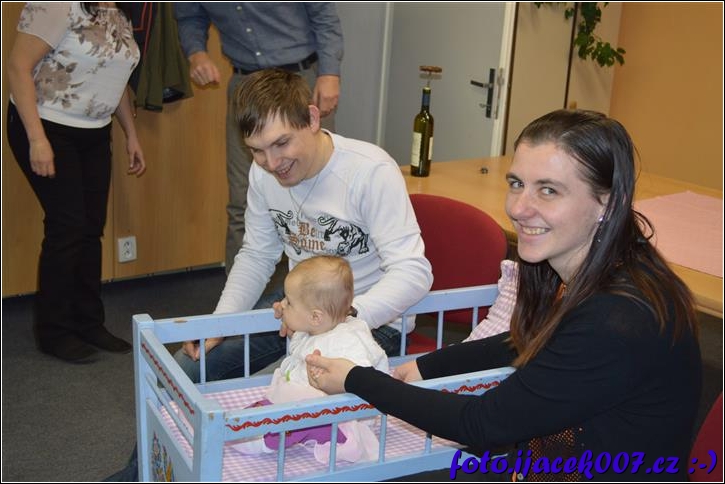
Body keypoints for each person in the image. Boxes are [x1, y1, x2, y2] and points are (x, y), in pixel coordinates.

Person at [306, 109, 702, 481]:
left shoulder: (617, 318)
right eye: (517, 184)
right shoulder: (592, 267)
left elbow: (480, 423)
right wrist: (430, 366)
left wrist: (358, 380)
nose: (519, 208)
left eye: (549, 190)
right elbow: (534, 340)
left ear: (608, 202)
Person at [174, 67, 432, 383]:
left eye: (281, 143)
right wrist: (221, 322)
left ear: (311, 119)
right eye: (257, 150)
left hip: (369, 318)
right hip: (298, 304)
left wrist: (344, 316)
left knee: (287, 388)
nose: (272, 163)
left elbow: (413, 272)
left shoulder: (370, 171)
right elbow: (256, 256)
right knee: (188, 369)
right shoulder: (262, 173)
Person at [6, 2, 147, 363]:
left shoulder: (120, 10)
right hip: (46, 125)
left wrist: (131, 134)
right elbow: (18, 67)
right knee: (67, 227)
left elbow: (114, 78)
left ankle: (88, 322)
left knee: (90, 229)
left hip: (94, 132)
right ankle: (53, 331)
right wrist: (37, 139)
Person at [173, 3, 343, 274]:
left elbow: (323, 14)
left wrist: (330, 73)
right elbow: (189, 16)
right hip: (246, 85)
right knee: (242, 199)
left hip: (299, 80)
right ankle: (241, 295)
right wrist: (196, 53)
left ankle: (321, 290)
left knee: (318, 195)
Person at [232, 255, 388, 464]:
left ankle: (267, 439)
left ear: (315, 317)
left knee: (302, 416)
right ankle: (245, 424)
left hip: (341, 417)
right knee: (273, 407)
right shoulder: (312, 330)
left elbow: (364, 378)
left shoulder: (348, 340)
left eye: (289, 302)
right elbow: (299, 355)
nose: (281, 304)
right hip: (301, 403)